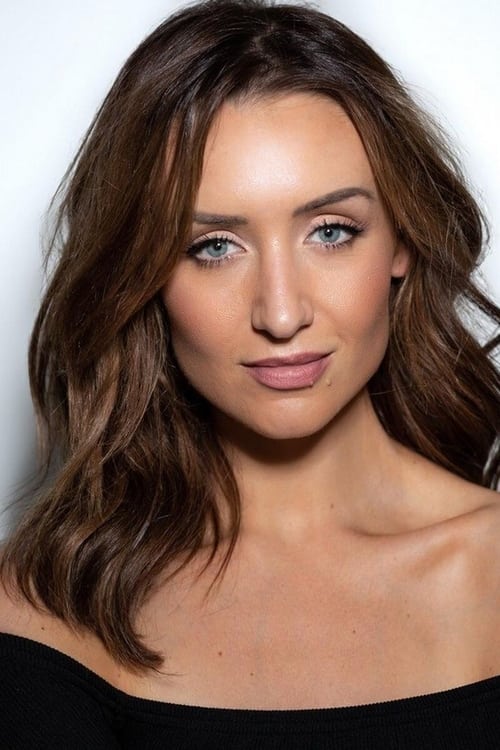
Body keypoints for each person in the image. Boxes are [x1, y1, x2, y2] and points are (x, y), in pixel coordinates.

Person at [1, 0, 499, 746]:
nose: (281, 312)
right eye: (213, 247)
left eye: (331, 232)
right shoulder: (42, 606)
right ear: (143, 275)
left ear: (401, 241)